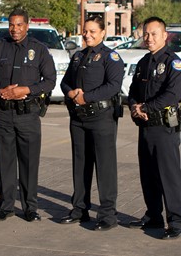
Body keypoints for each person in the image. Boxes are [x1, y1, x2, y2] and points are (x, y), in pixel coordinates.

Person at [0, 8, 56, 222]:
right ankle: (5, 206)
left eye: (19, 25)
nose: (15, 29)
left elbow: (50, 80)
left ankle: (30, 207)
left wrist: (26, 90)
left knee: (29, 162)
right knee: (5, 162)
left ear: (27, 26)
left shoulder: (39, 50)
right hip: (4, 114)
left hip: (28, 115)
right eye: (12, 25)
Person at [60, 15, 124, 231]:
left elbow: (114, 85)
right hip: (78, 119)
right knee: (80, 164)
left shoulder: (110, 57)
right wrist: (71, 93)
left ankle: (107, 215)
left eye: (92, 31)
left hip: (101, 118)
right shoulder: (78, 56)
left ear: (102, 33)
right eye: (85, 31)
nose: (87, 35)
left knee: (105, 167)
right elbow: (65, 81)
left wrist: (86, 97)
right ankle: (79, 209)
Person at [128, 16, 181, 240]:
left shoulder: (173, 62)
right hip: (146, 126)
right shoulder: (143, 63)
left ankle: (177, 221)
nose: (149, 38)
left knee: (169, 176)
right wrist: (133, 107)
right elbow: (132, 91)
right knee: (148, 174)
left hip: (165, 127)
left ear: (164, 36)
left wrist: (146, 106)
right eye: (146, 34)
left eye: (153, 34)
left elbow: (173, 94)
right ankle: (153, 216)